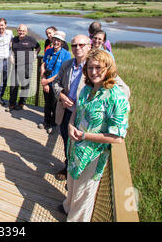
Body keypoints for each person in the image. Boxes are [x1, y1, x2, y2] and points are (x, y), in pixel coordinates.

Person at [59, 49, 130, 222]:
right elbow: (77, 110)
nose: (94, 72)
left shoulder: (116, 97)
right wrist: (70, 125)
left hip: (93, 155)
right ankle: (67, 207)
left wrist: (85, 136)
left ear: (108, 68)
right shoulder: (87, 89)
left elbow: (118, 137)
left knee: (84, 193)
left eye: (98, 67)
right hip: (75, 149)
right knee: (73, 185)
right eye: (90, 67)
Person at [52, 34, 130, 181]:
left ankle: (80, 177)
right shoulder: (67, 65)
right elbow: (56, 83)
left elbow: (124, 90)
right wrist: (61, 95)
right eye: (74, 45)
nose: (77, 48)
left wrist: (102, 101)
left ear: (89, 46)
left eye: (81, 45)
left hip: (86, 117)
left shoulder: (96, 67)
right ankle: (68, 167)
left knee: (83, 146)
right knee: (67, 141)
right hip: (66, 113)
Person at [39, 31, 71, 133]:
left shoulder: (66, 54)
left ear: (62, 42)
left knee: (55, 104)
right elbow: (44, 64)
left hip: (57, 84)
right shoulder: (48, 51)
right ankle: (46, 121)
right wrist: (43, 79)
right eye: (55, 39)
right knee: (47, 103)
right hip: (46, 81)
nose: (56, 42)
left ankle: (53, 124)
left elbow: (61, 72)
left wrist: (47, 81)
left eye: (59, 40)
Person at [7, 24, 40, 112]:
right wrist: (11, 56)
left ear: (26, 31)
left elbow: (38, 47)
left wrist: (35, 54)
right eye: (20, 30)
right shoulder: (14, 40)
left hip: (27, 65)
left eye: (23, 31)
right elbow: (11, 49)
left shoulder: (31, 39)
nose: (21, 32)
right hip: (16, 65)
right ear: (17, 31)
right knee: (13, 85)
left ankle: (21, 104)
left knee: (25, 85)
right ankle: (11, 104)